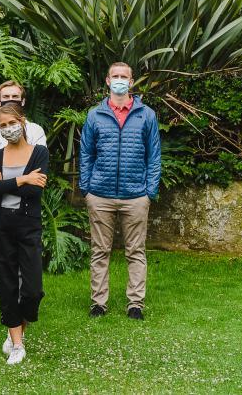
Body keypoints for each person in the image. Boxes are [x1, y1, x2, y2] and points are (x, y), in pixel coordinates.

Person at [79, 62, 161, 320]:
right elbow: (86, 154)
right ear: (107, 80)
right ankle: (98, 303)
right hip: (100, 195)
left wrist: (149, 192)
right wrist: (86, 189)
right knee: (99, 251)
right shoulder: (95, 115)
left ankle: (135, 303)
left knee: (135, 252)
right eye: (115, 76)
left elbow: (154, 156)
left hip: (136, 196)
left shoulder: (146, 115)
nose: (119, 80)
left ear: (131, 82)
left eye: (123, 76)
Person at [0, 80, 47, 328]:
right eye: (5, 97)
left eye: (15, 97)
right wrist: (23, 177)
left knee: (26, 272)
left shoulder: (37, 132)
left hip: (26, 214)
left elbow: (35, 183)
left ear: (23, 104)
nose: (10, 101)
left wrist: (6, 180)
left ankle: (18, 313)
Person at [0, 103, 49, 365]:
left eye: (12, 123)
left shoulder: (39, 153)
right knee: (7, 283)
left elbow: (36, 192)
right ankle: (16, 343)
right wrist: (22, 180)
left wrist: (4, 184)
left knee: (33, 289)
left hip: (28, 225)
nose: (8, 129)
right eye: (3, 125)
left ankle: (18, 327)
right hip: (0, 226)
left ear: (23, 122)